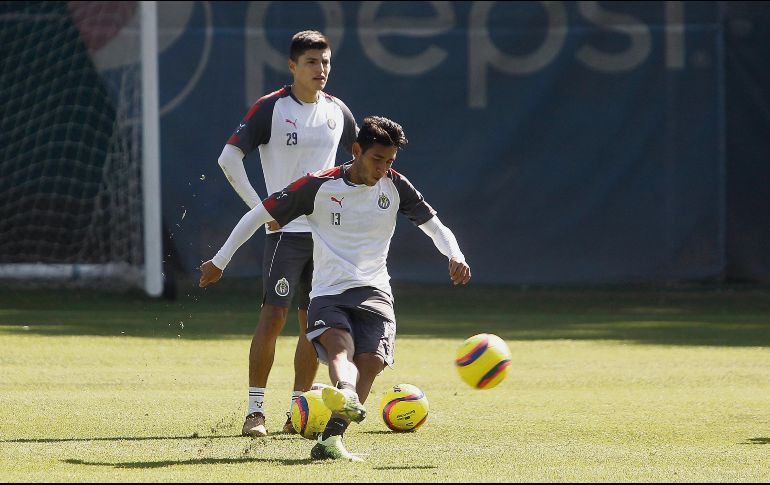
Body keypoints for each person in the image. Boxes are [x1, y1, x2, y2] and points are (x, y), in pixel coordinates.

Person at [200, 116, 471, 461]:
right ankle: (344, 390)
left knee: (371, 361)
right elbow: (258, 214)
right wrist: (220, 260)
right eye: (377, 160)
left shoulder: (395, 185)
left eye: (390, 162)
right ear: (356, 150)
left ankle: (330, 440)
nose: (382, 169)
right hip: (328, 292)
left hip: (375, 292)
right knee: (341, 350)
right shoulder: (317, 185)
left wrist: (455, 255)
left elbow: (435, 227)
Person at [216, 30, 358, 437]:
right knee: (273, 315)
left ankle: (300, 411)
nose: (321, 70)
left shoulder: (337, 111)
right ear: (292, 66)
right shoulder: (272, 109)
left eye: (326, 62)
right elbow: (228, 159)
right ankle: (254, 412)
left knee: (313, 324)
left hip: (326, 237)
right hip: (285, 234)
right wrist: (262, 211)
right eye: (312, 62)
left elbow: (359, 165)